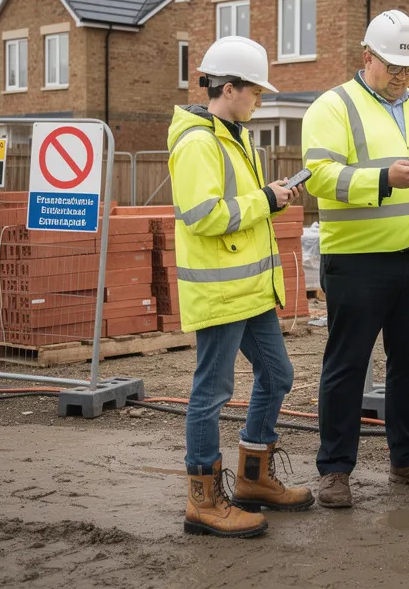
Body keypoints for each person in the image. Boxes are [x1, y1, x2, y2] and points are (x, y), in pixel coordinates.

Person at [302, 10, 409, 508]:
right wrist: (385, 179)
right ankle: (335, 470)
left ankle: (408, 459)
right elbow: (321, 177)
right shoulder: (332, 107)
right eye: (393, 66)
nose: (402, 77)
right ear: (366, 57)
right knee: (347, 365)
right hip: (358, 259)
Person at [169, 35, 315, 538]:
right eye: (255, 91)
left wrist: (265, 197)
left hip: (249, 290)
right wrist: (267, 199)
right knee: (211, 393)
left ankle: (253, 479)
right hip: (220, 291)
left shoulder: (234, 136)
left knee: (278, 376)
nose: (260, 100)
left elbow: (241, 207)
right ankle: (203, 501)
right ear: (228, 88)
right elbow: (203, 215)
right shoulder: (197, 143)